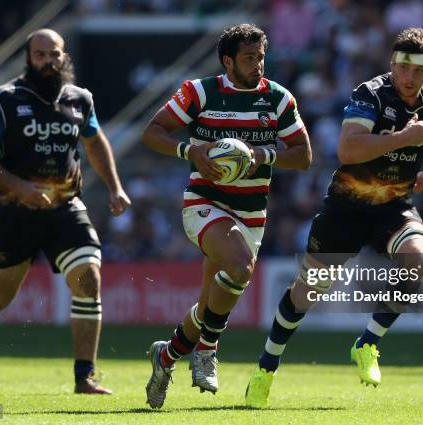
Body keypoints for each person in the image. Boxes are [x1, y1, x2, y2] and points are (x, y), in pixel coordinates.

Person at [245, 27, 423, 407]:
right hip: (346, 208)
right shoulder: (370, 94)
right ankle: (266, 366)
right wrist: (402, 139)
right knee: (305, 293)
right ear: (392, 64)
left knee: (416, 259)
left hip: (394, 207)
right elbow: (347, 149)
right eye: (404, 67)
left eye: (419, 70)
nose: (410, 77)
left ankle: (368, 343)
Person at [0, 28, 131, 394]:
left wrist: (114, 187)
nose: (49, 61)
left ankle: (85, 376)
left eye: (55, 54)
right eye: (41, 54)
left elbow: (95, 144)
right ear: (29, 59)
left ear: (65, 57)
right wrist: (21, 187)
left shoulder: (81, 99)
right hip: (16, 211)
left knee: (89, 278)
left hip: (66, 207)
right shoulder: (4, 100)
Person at [141, 23, 311, 408]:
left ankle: (165, 357)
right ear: (228, 61)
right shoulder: (199, 92)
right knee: (240, 265)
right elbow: (152, 132)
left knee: (207, 308)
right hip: (205, 204)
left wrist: (262, 155)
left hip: (251, 214)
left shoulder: (279, 99)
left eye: (261, 57)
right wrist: (191, 151)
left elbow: (303, 155)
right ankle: (207, 351)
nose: (258, 66)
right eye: (249, 59)